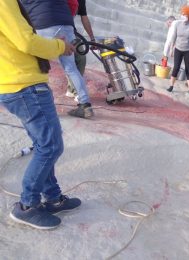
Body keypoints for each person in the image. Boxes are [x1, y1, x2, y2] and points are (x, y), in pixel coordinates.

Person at [0, 0, 81, 230]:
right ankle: (27, 206)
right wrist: (59, 46)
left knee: (44, 143)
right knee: (51, 146)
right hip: (24, 85)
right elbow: (26, 41)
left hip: (19, 84)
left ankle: (53, 198)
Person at [21, 0, 94, 118]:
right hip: (66, 23)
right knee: (71, 68)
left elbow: (19, 11)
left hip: (44, 23)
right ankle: (85, 105)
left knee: (38, 64)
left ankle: (39, 104)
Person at [66, 0, 96, 99]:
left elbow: (84, 17)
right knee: (69, 59)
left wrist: (92, 38)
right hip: (54, 29)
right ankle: (76, 91)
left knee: (81, 58)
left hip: (70, 31)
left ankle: (72, 89)